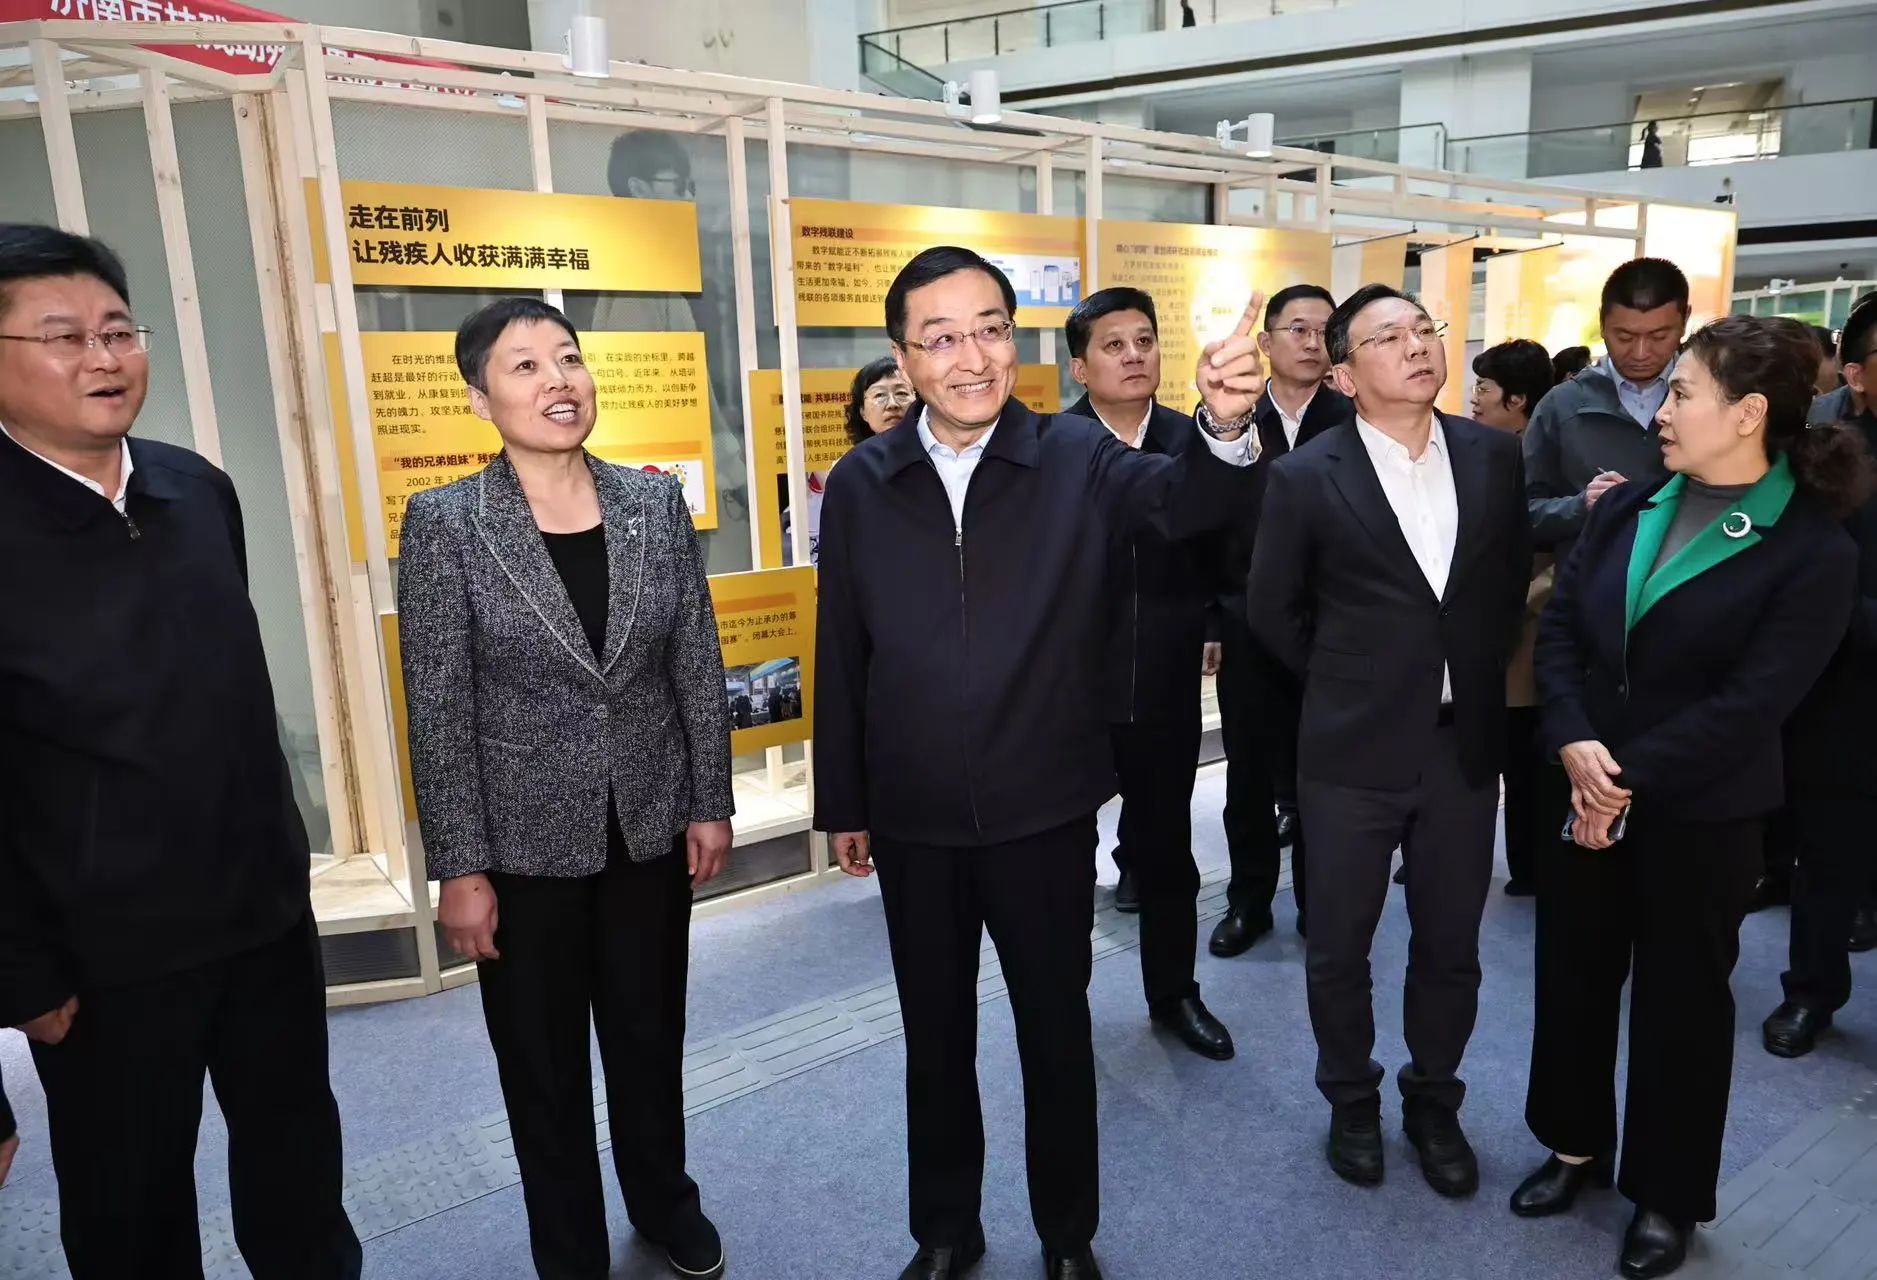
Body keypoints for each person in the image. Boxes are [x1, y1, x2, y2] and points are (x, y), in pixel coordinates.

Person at [814, 245, 1260, 1280]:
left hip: (1043, 806)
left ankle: (1067, 1236)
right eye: (939, 338)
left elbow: (1183, 504)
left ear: (1013, 340)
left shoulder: (1073, 455)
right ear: (902, 357)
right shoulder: (865, 482)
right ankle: (944, 1229)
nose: (969, 357)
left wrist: (1224, 427)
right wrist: (845, 798)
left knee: (1055, 1032)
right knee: (933, 1035)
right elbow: (843, 648)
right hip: (914, 812)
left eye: (988, 330)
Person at [0, 224, 361, 1278]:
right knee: (131, 1210)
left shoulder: (196, 488)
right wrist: (19, 968)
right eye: (63, 336)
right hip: (99, 960)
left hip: (262, 919)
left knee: (299, 1178)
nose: (104, 357)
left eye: (118, 330)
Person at [1515, 316, 1862, 1279]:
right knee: (1571, 977)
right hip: (1583, 785)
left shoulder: (1811, 548)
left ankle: (1665, 1193)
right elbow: (1560, 636)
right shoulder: (1627, 505)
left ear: (1747, 415)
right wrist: (1572, 742)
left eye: (1680, 392)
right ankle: (1572, 1146)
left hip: (1698, 812)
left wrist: (1616, 780)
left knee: (1681, 1006)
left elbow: (1753, 704)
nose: (1660, 411)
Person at [398, 297, 735, 1280]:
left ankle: (665, 1201)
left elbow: (695, 660)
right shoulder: (446, 522)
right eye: (525, 366)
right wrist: (459, 865)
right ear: (479, 398)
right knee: (541, 1066)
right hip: (519, 846)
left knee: (648, 1035)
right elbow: (438, 704)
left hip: (647, 827)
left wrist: (707, 798)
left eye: (569, 358)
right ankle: (570, 1249)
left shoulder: (651, 503)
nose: (557, 381)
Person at [1247, 283, 1531, 1197]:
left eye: (1422, 329)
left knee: (1450, 944)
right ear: (1342, 373)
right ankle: (1350, 1100)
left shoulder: (1493, 456)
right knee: (1339, 945)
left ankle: (1433, 1101)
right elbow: (1272, 609)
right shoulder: (1304, 475)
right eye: (1385, 337)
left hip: (1459, 748)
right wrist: (1351, 680)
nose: (1414, 346)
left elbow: (1503, 589)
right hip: (1349, 752)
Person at [1064, 286, 1233, 1061]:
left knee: (1166, 849)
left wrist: (1211, 621)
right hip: (1070, 685)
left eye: (1143, 341)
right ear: (1079, 367)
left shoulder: (1194, 439)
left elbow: (1231, 537)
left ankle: (1174, 995)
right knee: (1063, 858)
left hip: (1165, 674)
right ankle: (1060, 1003)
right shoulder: (1050, 447)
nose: (1133, 356)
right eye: (1112, 345)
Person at [1209, 282, 1355, 955]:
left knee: (1323, 773)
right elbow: (1206, 525)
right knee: (1246, 772)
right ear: (1265, 342)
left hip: (1335, 626)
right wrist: (1212, 623)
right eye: (1297, 329)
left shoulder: (1356, 414)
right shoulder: (1228, 416)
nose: (1312, 343)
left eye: (1325, 330)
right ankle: (1248, 902)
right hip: (1246, 623)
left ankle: (1320, 902)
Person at [1764, 303, 1877, 1057]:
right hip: (1849, 687)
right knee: (1830, 853)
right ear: (1858, 374)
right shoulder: (1831, 462)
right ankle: (1811, 991)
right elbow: (1807, 575)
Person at [1471, 338, 1563, 897]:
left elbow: (1557, 559)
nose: (1474, 398)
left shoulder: (1539, 458)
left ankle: (1532, 866)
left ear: (1518, 399)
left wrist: (1510, 598)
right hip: (1488, 633)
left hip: (1526, 635)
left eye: (1484, 388)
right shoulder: (1480, 452)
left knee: (1524, 762)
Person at [1525, 258, 1689, 566]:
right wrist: (1580, 506)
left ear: (1684, 321)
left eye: (1658, 336)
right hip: (1589, 584)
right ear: (1602, 323)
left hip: (1687, 580)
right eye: (1624, 337)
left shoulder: (1713, 402)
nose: (1640, 353)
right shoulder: (1562, 405)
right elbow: (1521, 513)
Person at [847, 355, 916, 446]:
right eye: (879, 395)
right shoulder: (855, 455)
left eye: (901, 393)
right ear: (863, 412)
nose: (892, 404)